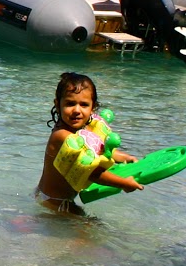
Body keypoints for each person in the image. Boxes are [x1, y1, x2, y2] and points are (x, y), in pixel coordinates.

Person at [34, 71, 142, 215]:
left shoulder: (80, 129)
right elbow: (90, 171)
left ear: (93, 107)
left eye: (84, 105)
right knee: (89, 232)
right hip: (54, 201)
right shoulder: (62, 136)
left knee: (91, 228)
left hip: (53, 198)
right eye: (70, 103)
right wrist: (123, 183)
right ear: (57, 104)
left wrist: (123, 157)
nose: (76, 110)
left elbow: (98, 149)